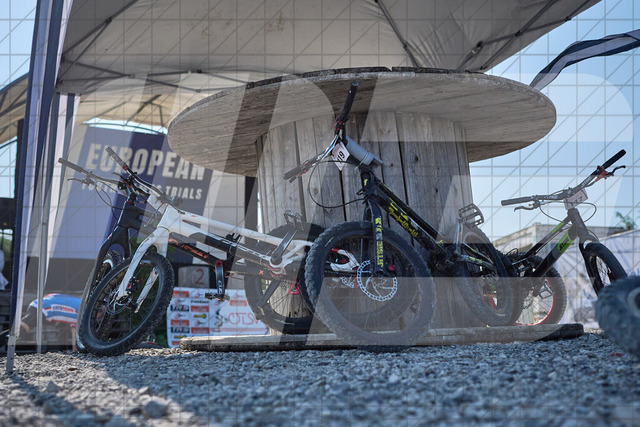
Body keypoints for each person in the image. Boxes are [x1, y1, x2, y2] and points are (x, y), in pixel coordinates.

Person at [0, 293, 81, 352]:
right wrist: (75, 348)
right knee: (20, 331)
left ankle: (62, 350)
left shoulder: (80, 302)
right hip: (41, 308)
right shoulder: (81, 310)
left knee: (64, 328)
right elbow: (75, 330)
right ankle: (4, 341)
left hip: (43, 306)